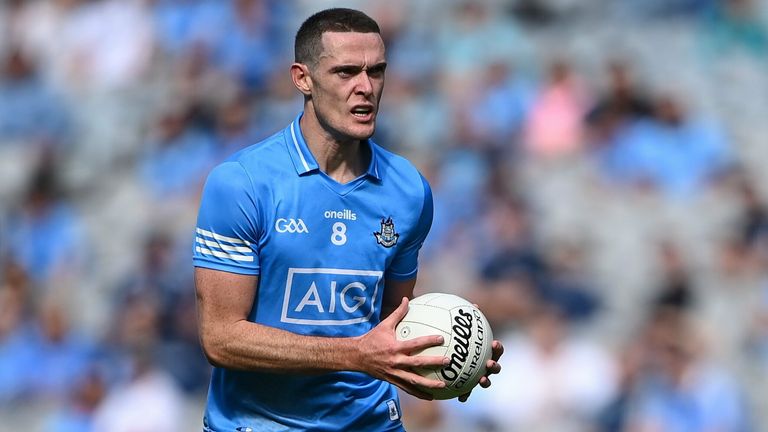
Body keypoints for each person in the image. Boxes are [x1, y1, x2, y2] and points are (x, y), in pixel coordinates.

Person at [192, 8, 503, 432]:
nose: (365, 87)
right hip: (258, 424)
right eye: (346, 72)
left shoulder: (409, 190)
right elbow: (221, 338)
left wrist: (450, 351)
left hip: (371, 423)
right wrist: (356, 355)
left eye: (376, 71)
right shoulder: (241, 183)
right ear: (303, 78)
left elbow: (391, 317)